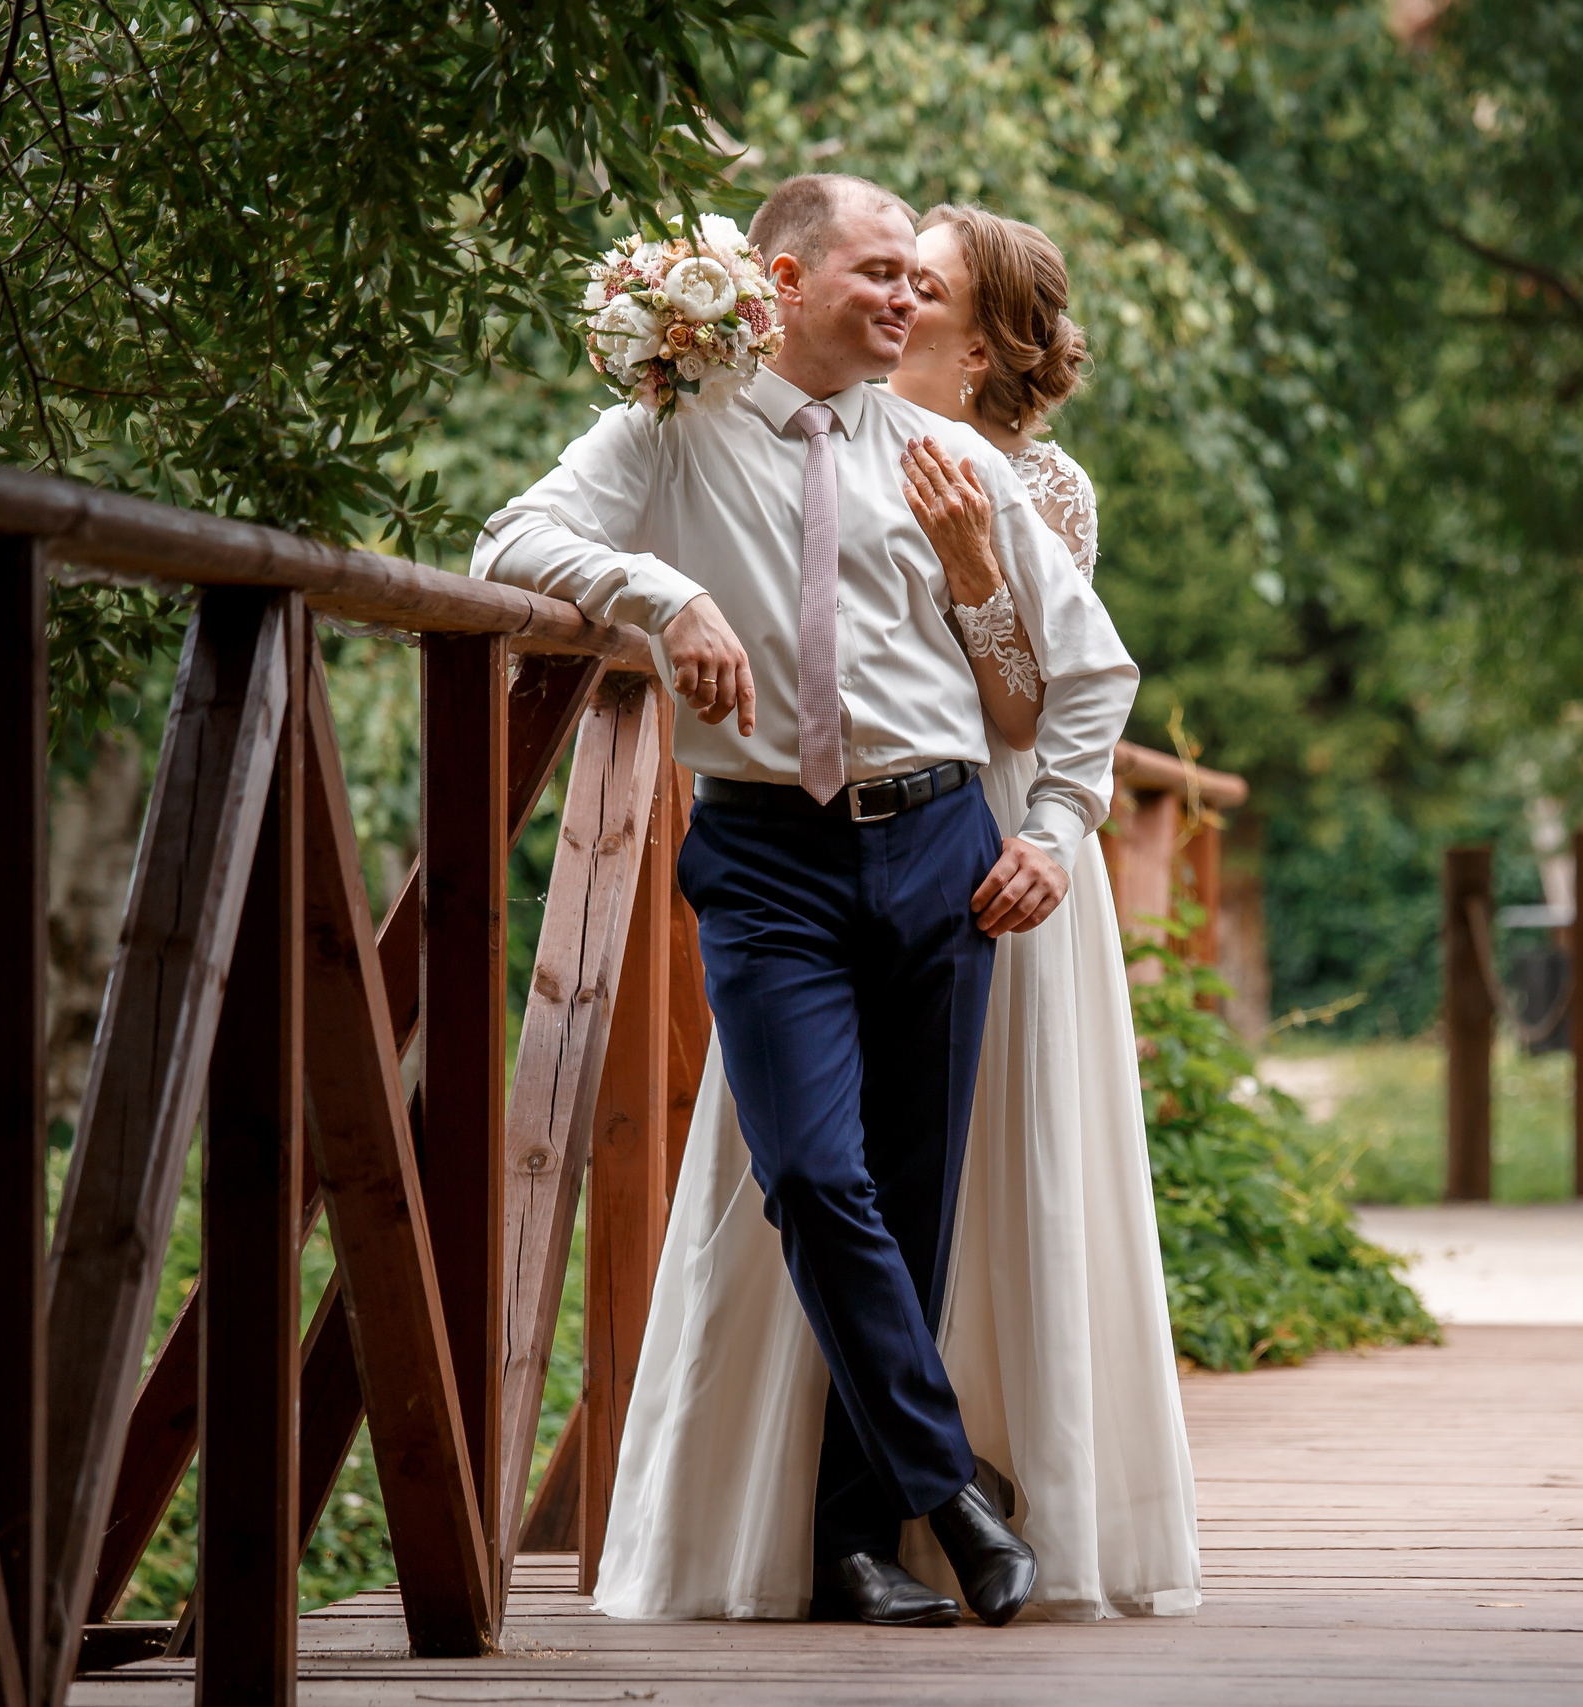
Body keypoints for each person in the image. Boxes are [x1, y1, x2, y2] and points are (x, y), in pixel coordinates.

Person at [470, 173, 1138, 1629]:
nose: (904, 300)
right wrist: (659, 596)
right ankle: (950, 1487)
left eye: (918, 281)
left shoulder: (946, 456)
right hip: (766, 858)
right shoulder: (673, 432)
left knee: (910, 1203)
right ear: (780, 279)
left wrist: (1067, 825)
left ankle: (854, 1544)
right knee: (816, 1178)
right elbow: (504, 544)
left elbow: (1087, 677)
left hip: (942, 850)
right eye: (879, 274)